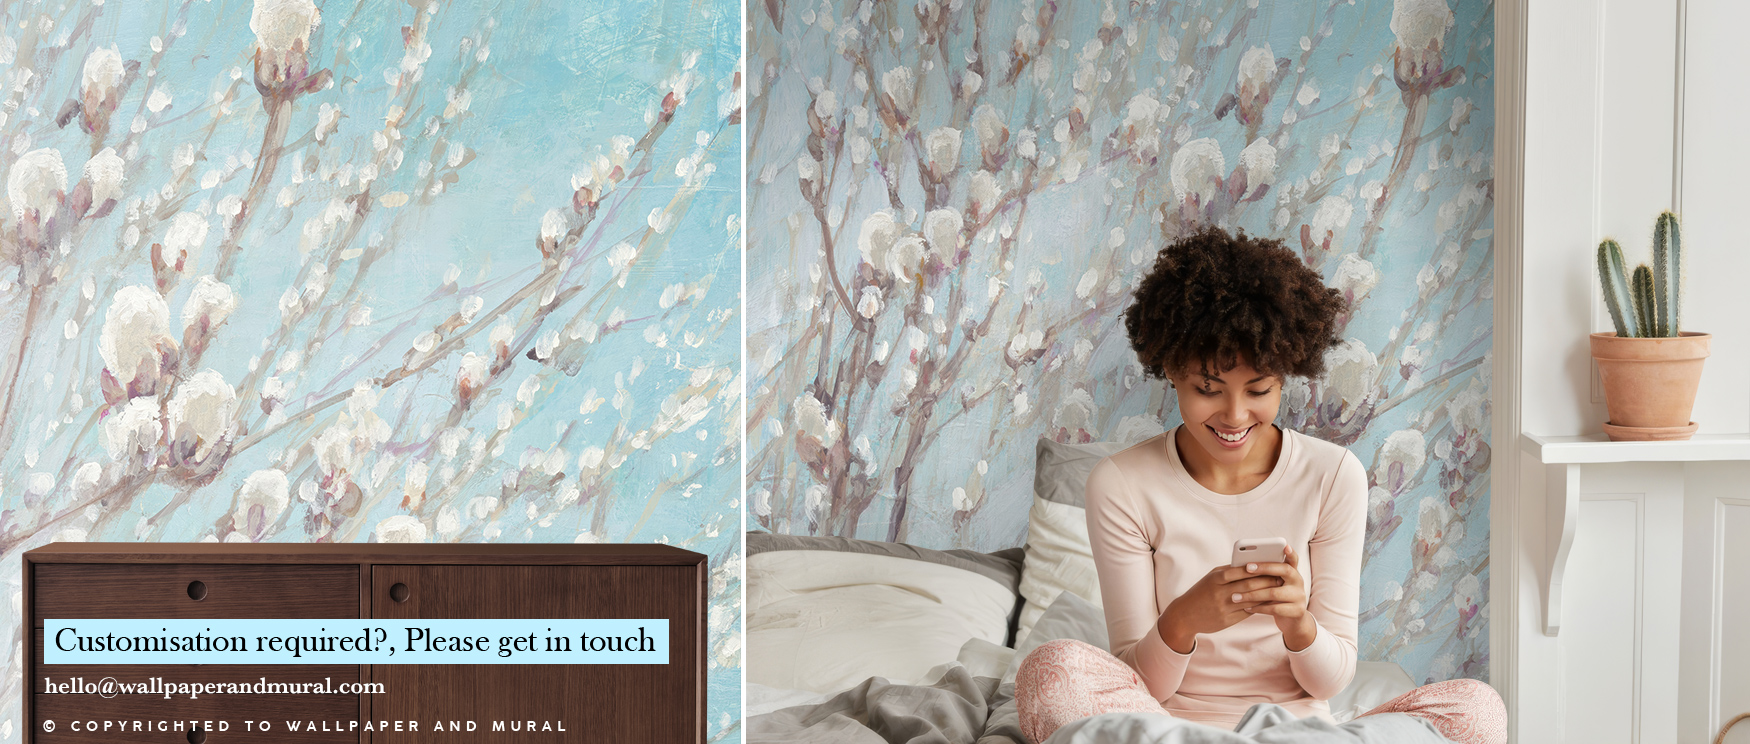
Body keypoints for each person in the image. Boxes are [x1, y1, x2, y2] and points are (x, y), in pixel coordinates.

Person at [1014, 226, 1504, 744]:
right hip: (1168, 729)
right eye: (1208, 389)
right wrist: (1183, 621)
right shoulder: (1120, 484)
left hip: (1302, 730)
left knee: (1477, 709)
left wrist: (1298, 625)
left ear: (1284, 377)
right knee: (1051, 673)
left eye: (1259, 390)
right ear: (1172, 370)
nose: (1234, 415)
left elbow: (1331, 681)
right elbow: (1142, 686)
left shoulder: (1332, 475)